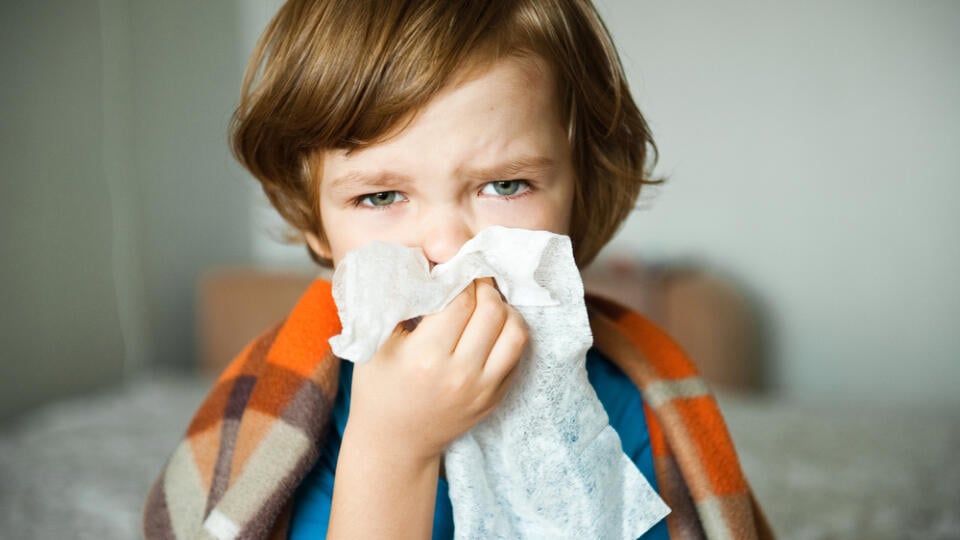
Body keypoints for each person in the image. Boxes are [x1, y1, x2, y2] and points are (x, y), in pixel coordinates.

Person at [143, 1, 773, 538]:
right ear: (314, 221)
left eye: (504, 185)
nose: (446, 245)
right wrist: (393, 447)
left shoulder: (634, 405)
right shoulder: (287, 421)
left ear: (580, 191)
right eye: (381, 196)